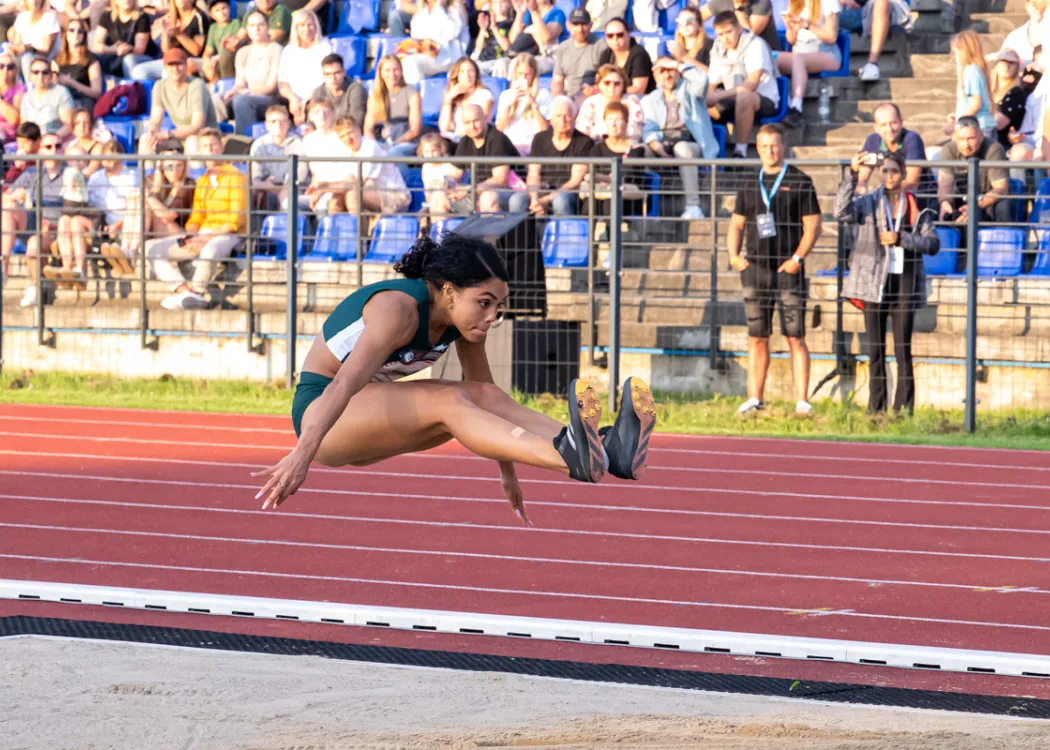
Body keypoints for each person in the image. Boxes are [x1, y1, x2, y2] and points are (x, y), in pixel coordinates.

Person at [253, 232, 658, 514]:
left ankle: (607, 451)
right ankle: (568, 455)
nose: (492, 316)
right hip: (322, 418)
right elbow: (343, 383)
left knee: (482, 394)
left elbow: (490, 401)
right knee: (449, 400)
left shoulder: (462, 324)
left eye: (498, 306)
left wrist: (508, 469)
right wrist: (301, 456)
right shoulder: (398, 310)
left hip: (368, 418)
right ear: (448, 291)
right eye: (484, 302)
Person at [836, 150, 940, 414]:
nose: (889, 176)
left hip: (904, 282)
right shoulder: (868, 202)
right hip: (873, 282)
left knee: (903, 349)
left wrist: (902, 239)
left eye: (894, 171)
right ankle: (876, 409)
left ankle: (903, 410)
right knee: (875, 349)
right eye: (884, 171)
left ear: (903, 174)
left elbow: (932, 244)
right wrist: (852, 175)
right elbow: (841, 211)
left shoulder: (916, 205)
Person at [728, 123, 821, 416]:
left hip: (788, 270)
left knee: (795, 335)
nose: (770, 151)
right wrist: (734, 256)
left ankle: (802, 400)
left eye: (775, 145)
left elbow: (813, 226)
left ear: (783, 146)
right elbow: (736, 224)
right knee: (757, 336)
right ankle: (754, 398)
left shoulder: (800, 180)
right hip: (755, 268)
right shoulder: (748, 182)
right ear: (757, 148)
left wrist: (797, 259)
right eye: (764, 146)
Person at [145, 128, 247, 310]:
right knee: (150, 248)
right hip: (203, 233)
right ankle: (184, 291)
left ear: (221, 147)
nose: (210, 149)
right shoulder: (202, 181)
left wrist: (207, 236)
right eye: (205, 146)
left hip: (230, 234)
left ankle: (197, 292)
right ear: (201, 150)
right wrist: (190, 235)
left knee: (210, 250)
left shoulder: (237, 177)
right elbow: (196, 217)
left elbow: (236, 220)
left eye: (214, 145)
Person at [642, 56, 721, 220]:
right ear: (655, 76)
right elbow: (649, 129)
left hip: (691, 143)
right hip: (663, 142)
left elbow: (702, 80)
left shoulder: (691, 91)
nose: (667, 75)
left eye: (671, 70)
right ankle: (643, 208)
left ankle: (693, 206)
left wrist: (677, 64)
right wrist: (657, 147)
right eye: (662, 71)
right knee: (641, 151)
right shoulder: (649, 100)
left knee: (682, 149)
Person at [706, 10, 779, 158]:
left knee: (744, 97)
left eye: (729, 32)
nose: (725, 38)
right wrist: (707, 99)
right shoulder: (718, 48)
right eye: (720, 34)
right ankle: (706, 152)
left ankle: (740, 151)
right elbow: (711, 84)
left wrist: (718, 96)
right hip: (731, 99)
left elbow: (751, 84)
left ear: (739, 28)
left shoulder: (755, 44)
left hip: (763, 99)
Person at [511, 95, 591, 215]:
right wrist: (535, 198)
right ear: (551, 119)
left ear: (574, 118)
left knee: (560, 201)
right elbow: (533, 174)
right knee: (517, 200)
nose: (562, 120)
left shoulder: (584, 142)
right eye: (558, 116)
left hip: (568, 192)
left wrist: (547, 199)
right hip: (542, 189)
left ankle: (564, 227)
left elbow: (575, 181)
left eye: (567, 116)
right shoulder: (540, 139)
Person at [139, 48, 219, 155]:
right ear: (165, 67)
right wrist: (153, 132)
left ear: (186, 65)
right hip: (178, 137)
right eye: (171, 65)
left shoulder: (197, 85)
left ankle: (196, 166)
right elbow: (156, 119)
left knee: (192, 142)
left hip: (204, 137)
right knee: (146, 139)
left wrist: (168, 134)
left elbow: (197, 126)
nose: (175, 69)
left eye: (179, 64)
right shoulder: (160, 86)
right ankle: (147, 166)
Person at [777, 0, 843, 129]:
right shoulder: (794, 2)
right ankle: (776, 103)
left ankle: (796, 108)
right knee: (771, 57)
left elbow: (831, 37)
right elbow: (791, 40)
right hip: (799, 50)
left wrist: (806, 25)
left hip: (826, 52)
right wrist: (790, 27)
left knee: (798, 59)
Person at [937, 115, 1012, 226]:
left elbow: (1001, 189)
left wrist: (973, 206)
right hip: (961, 200)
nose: (966, 145)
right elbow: (944, 184)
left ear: (981, 136)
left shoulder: (994, 149)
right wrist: (944, 203)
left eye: (971, 139)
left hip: (987, 200)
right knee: (938, 205)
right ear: (955, 138)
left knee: (1004, 206)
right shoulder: (949, 149)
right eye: (961, 139)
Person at [856, 102, 934, 200]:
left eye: (893, 123)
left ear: (901, 122)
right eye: (883, 125)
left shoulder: (912, 139)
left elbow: (911, 182)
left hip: (922, 198)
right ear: (875, 127)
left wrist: (883, 194)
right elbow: (862, 179)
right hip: (889, 198)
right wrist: (862, 190)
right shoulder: (872, 141)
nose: (889, 129)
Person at [223, 10, 282, 136]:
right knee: (217, 99)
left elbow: (271, 87)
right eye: (252, 25)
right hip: (247, 94)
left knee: (241, 101)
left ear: (268, 27)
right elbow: (240, 83)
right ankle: (216, 140)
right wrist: (234, 91)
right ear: (247, 29)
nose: (257, 29)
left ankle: (244, 142)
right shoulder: (242, 52)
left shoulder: (276, 49)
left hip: (269, 98)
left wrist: (246, 92)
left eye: (261, 25)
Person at [453, 103, 521, 212]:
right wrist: (450, 187)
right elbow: (454, 174)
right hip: (477, 190)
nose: (472, 126)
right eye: (467, 123)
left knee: (487, 198)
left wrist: (468, 190)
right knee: (439, 198)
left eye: (476, 121)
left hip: (512, 191)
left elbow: (500, 181)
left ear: (485, 119)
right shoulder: (465, 141)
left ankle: (487, 224)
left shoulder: (497, 139)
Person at [277, 8, 332, 125]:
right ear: (296, 28)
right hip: (292, 98)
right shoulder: (288, 50)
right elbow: (283, 83)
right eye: (302, 25)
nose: (306, 29)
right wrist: (293, 99)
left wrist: (305, 102)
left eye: (310, 25)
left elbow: (325, 79)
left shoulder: (325, 47)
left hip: (317, 95)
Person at [131, 0, 208, 80]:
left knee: (168, 73)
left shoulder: (199, 17)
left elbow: (196, 51)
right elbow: (166, 51)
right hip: (172, 59)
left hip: (190, 60)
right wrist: (165, 33)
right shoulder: (172, 17)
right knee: (139, 71)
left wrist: (179, 34)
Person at [362, 54, 422, 158]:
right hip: (381, 141)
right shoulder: (374, 97)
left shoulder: (412, 94)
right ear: (381, 73)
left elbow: (414, 130)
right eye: (387, 70)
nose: (392, 74)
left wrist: (394, 144)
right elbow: (368, 129)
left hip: (405, 142)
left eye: (396, 70)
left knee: (393, 152)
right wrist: (374, 146)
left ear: (401, 71)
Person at [494, 52, 551, 154]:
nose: (523, 78)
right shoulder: (505, 95)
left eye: (527, 74)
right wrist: (510, 105)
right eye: (520, 74)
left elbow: (545, 129)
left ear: (534, 74)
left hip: (534, 145)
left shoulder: (543, 94)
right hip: (510, 146)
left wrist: (533, 104)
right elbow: (499, 129)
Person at [944, 30, 996, 140]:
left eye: (956, 52)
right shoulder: (976, 70)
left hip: (978, 127)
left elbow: (976, 103)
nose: (955, 56)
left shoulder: (971, 70)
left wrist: (958, 122)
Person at [574, 63, 643, 140]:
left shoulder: (632, 101)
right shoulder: (591, 102)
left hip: (626, 143)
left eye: (617, 83)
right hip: (596, 144)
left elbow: (636, 131)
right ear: (599, 83)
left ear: (623, 85)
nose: (611, 87)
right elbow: (582, 130)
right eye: (607, 83)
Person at [550, 7, 606, 99]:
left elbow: (607, 78)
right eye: (575, 24)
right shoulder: (562, 48)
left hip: (594, 97)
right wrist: (558, 99)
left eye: (584, 24)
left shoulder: (601, 46)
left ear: (591, 25)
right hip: (569, 98)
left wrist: (595, 89)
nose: (580, 29)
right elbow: (557, 81)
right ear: (568, 25)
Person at [91, 0, 153, 79]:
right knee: (93, 58)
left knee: (129, 60)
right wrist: (113, 49)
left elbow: (140, 50)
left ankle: (131, 85)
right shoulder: (106, 16)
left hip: (141, 57)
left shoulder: (142, 17)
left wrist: (127, 48)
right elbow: (97, 44)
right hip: (115, 53)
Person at [438, 57, 494, 141]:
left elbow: (481, 125)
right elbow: (444, 128)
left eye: (471, 71)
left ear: (476, 74)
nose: (467, 75)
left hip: (472, 139)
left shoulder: (485, 94)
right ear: (457, 75)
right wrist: (449, 98)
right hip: (453, 138)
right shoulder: (452, 96)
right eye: (462, 72)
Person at [308, 52, 367, 130]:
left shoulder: (356, 90)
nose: (333, 78)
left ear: (344, 72)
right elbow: (311, 123)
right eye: (328, 74)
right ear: (323, 75)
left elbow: (356, 122)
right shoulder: (318, 92)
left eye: (337, 73)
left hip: (347, 133)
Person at [698, 0, 780, 54]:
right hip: (729, 54)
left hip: (762, 53)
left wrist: (738, 7)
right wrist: (701, 38)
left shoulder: (761, 2)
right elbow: (696, 18)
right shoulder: (720, 1)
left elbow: (749, 36)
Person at [597, 16, 652, 95]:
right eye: (610, 35)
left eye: (620, 35)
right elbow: (599, 81)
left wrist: (614, 91)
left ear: (628, 34)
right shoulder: (606, 54)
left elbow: (639, 89)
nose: (615, 38)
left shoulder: (639, 54)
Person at [54, 18, 102, 108]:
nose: (76, 34)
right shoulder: (57, 59)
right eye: (71, 30)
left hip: (83, 101)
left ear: (84, 35)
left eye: (80, 31)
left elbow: (96, 92)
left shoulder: (91, 59)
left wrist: (72, 83)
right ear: (66, 34)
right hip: (63, 101)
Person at [19, 57, 72, 138]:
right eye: (36, 72)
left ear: (51, 75)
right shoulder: (26, 98)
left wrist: (49, 139)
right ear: (30, 76)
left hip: (56, 140)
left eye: (45, 72)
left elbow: (68, 126)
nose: (40, 76)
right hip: (33, 141)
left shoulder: (61, 92)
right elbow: (24, 127)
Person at [990, 47, 1028, 152]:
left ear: (1017, 67)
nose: (1007, 65)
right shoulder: (988, 91)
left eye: (1011, 62)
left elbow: (998, 123)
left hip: (1001, 147)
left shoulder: (1017, 93)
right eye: (1003, 61)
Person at [200, 0, 242, 83]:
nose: (221, 13)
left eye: (224, 8)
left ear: (229, 9)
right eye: (217, 10)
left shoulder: (235, 23)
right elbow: (208, 50)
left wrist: (215, 59)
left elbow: (233, 48)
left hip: (230, 58)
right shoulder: (213, 27)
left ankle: (223, 86)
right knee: (205, 66)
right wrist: (207, 59)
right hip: (216, 59)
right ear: (211, 14)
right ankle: (217, 85)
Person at [0, 50, 25, 145]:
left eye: (10, 67)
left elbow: (14, 119)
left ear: (15, 70)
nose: (5, 70)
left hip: (9, 138)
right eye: (1, 66)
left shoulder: (19, 89)